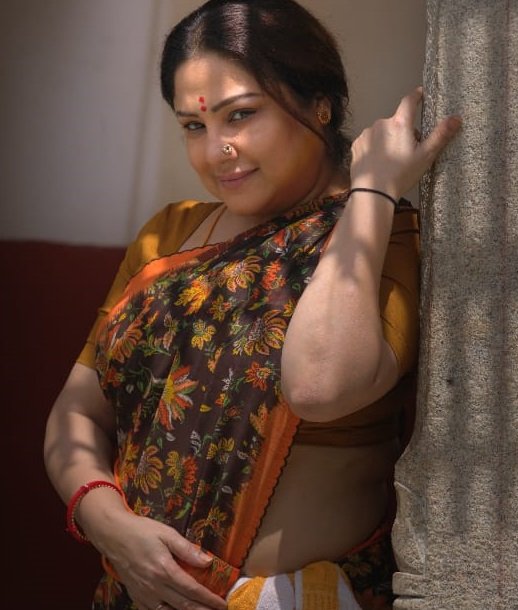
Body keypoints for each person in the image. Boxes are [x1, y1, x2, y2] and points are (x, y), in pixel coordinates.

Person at [44, 1, 461, 608]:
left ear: (320, 103)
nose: (217, 150)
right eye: (194, 126)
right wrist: (108, 524)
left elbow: (319, 387)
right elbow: (78, 413)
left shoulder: (388, 237)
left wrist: (372, 189)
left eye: (240, 115)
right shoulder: (168, 236)